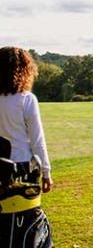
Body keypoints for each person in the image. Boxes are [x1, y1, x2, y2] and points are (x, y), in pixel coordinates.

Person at [0, 47, 53, 192]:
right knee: (25, 211)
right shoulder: (27, 99)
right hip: (21, 167)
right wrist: (46, 172)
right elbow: (37, 140)